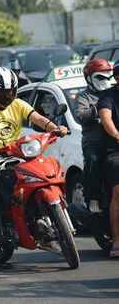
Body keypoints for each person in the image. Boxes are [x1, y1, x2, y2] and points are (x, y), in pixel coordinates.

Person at [0, 67, 68, 267]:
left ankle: (47, 235)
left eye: (9, 92)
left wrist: (56, 129)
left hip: (17, 155)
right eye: (1, 92)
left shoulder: (18, 104)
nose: (6, 96)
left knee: (37, 182)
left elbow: (39, 119)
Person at [75, 58, 114, 215]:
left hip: (113, 139)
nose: (106, 81)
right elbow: (81, 116)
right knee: (93, 159)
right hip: (94, 141)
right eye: (100, 77)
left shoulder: (113, 94)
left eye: (108, 77)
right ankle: (93, 200)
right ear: (89, 78)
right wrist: (101, 106)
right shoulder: (83, 96)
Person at [96, 60, 119, 258]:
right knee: (118, 191)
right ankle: (117, 240)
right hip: (115, 150)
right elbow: (106, 119)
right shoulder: (107, 96)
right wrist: (117, 135)